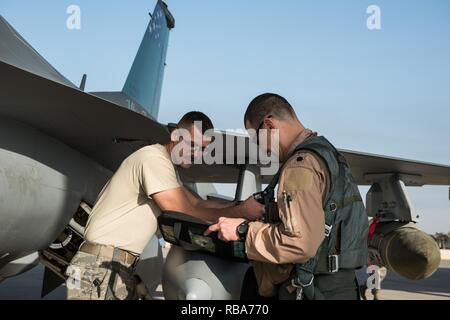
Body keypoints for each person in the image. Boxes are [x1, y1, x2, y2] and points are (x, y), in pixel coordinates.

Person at [66, 111, 264, 300]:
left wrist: (241, 206)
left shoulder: (166, 167)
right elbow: (182, 210)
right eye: (192, 144)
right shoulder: (152, 159)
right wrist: (240, 212)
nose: (196, 153)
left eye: (202, 148)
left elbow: (196, 202)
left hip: (115, 264)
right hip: (100, 266)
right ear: (176, 135)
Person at [206, 94, 369, 300]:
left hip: (315, 289)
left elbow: (299, 243)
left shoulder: (300, 165)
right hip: (340, 286)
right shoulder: (328, 155)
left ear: (268, 125)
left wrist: (242, 230)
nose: (261, 147)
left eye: (257, 138)